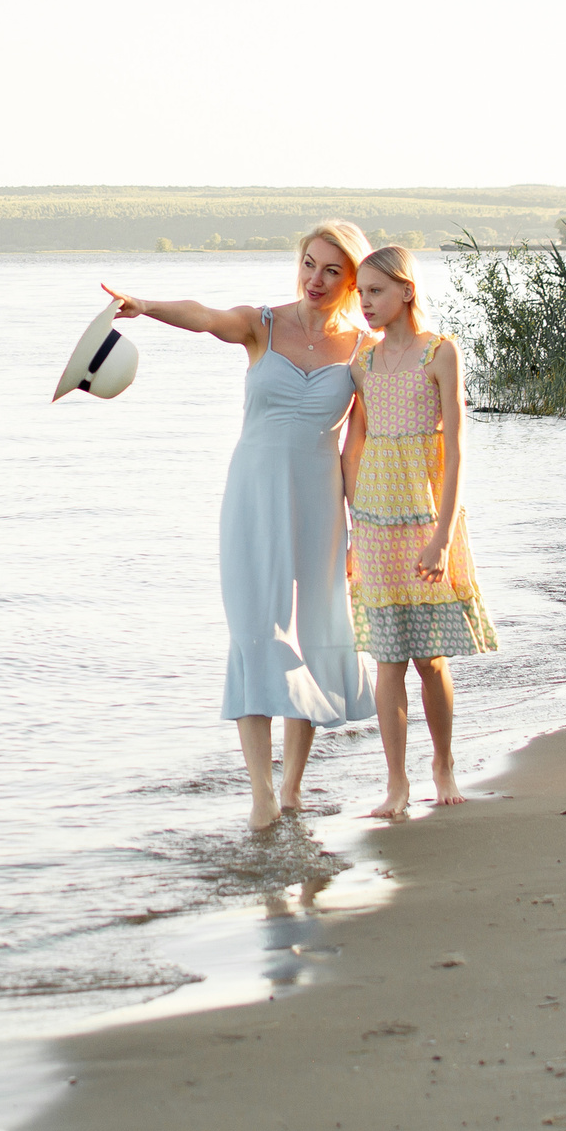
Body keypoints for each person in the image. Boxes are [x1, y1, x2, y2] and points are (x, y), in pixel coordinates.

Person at [103, 222, 376, 829]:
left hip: (320, 507)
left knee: (306, 637)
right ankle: (260, 792)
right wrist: (145, 306)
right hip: (252, 498)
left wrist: (362, 531)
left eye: (333, 270)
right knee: (256, 635)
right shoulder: (264, 324)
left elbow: (357, 451)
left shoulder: (362, 351)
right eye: (310, 263)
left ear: (353, 279)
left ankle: (294, 789)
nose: (317, 278)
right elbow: (204, 316)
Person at [342, 244, 497, 820]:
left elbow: (455, 452)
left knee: (431, 657)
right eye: (360, 294)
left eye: (376, 292)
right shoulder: (364, 361)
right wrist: (356, 523)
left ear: (406, 290)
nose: (366, 304)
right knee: (387, 657)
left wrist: (443, 536)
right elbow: (353, 444)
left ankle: (444, 764)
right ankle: (395, 784)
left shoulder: (441, 352)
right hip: (376, 525)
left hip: (428, 519)